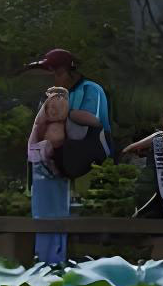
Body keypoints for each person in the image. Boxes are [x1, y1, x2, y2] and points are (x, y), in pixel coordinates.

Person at [25, 48, 112, 267]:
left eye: (56, 73)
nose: (54, 78)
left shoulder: (90, 90)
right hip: (51, 161)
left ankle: (56, 259)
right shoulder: (52, 96)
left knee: (60, 212)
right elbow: (41, 124)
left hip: (83, 153)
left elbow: (94, 121)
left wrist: (66, 112)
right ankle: (44, 260)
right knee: (45, 210)